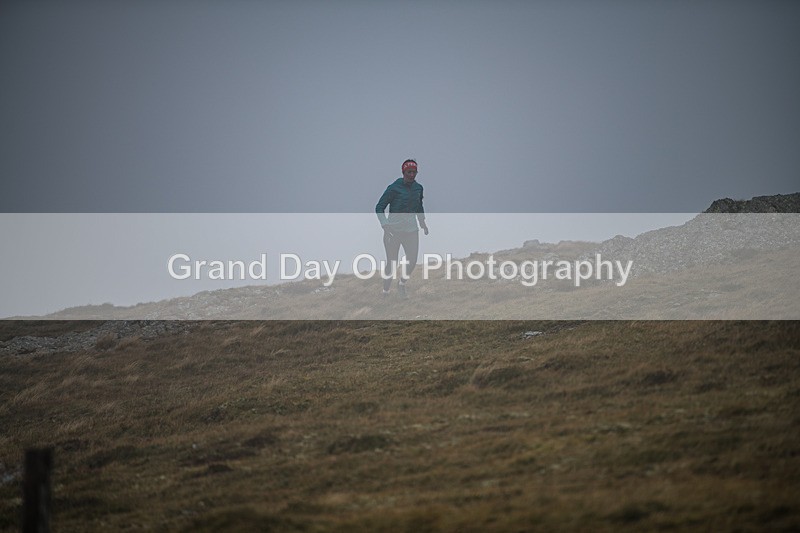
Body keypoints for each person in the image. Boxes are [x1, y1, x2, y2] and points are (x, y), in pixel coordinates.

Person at [375, 159, 429, 298]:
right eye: (409, 172)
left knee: (412, 260)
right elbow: (379, 207)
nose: (412, 175)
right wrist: (385, 224)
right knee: (392, 264)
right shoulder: (393, 188)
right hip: (393, 231)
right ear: (403, 172)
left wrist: (422, 222)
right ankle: (385, 291)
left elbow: (419, 206)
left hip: (411, 231)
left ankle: (401, 284)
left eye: (414, 172)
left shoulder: (419, 188)